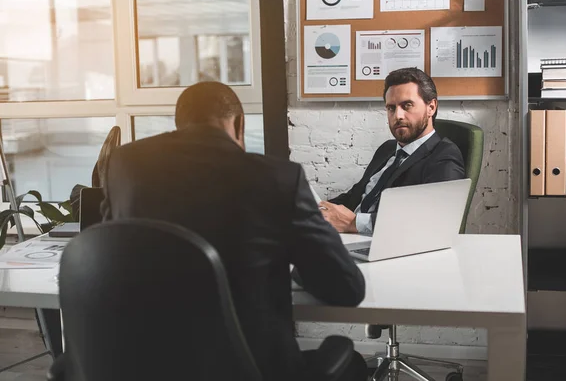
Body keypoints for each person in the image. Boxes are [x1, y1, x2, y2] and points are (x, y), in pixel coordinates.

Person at [101, 82, 368, 381]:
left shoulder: (125, 165)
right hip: (252, 370)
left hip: (145, 365)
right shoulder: (277, 177)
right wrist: (299, 267)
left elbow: (109, 249)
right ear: (240, 125)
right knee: (353, 364)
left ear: (179, 126)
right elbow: (346, 288)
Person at [320, 68, 466, 234]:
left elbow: (434, 220)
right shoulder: (387, 148)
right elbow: (356, 195)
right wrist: (318, 210)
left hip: (388, 246)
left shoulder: (444, 156)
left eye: (407, 105)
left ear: (431, 107)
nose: (398, 116)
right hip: (350, 238)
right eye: (391, 108)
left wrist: (354, 223)